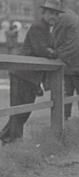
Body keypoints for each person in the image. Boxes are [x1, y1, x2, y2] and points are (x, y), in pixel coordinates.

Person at [0, 0, 63, 145]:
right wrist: (55, 53)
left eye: (56, 14)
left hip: (30, 76)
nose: (54, 16)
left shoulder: (47, 29)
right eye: (51, 13)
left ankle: (7, 137)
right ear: (44, 13)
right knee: (20, 110)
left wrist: (54, 52)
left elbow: (48, 49)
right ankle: (13, 141)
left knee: (24, 111)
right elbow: (41, 50)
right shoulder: (38, 27)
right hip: (22, 74)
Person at [52, 0, 79, 120]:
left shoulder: (61, 17)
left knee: (68, 89)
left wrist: (51, 50)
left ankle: (65, 118)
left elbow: (56, 38)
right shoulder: (72, 14)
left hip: (69, 56)